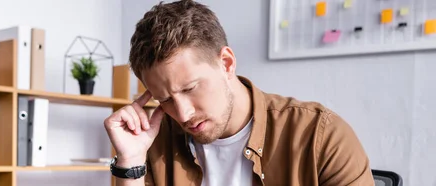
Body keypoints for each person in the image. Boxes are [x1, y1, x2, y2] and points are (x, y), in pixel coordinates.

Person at [103, 0, 375, 186]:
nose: (183, 113)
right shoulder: (154, 144)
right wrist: (131, 163)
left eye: (190, 88)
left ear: (227, 64)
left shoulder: (320, 136)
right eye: (165, 99)